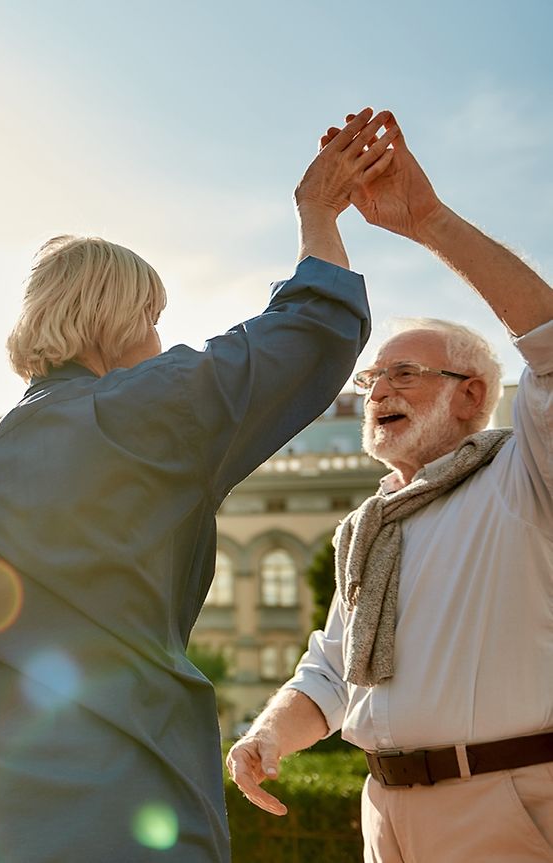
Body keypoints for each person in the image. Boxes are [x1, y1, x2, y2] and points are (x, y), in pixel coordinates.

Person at [0, 108, 396, 863]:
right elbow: (312, 332)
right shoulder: (133, 414)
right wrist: (318, 215)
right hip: (107, 801)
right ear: (116, 319)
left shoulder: (6, 446)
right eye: (153, 318)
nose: (162, 343)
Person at [227, 116, 553, 862]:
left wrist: (429, 222)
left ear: (471, 396)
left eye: (404, 372)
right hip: (386, 813)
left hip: (504, 801)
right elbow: (335, 669)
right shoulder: (367, 524)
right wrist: (268, 734)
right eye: (372, 378)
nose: (377, 389)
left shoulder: (526, 469)